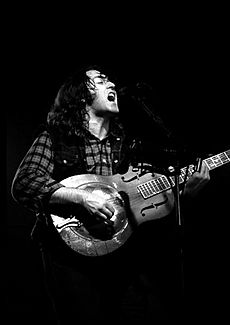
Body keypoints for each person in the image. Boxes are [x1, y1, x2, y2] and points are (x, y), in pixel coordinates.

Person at [11, 63, 210, 324]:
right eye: (102, 80)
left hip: (125, 259)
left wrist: (185, 196)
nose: (113, 84)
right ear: (81, 94)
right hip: (69, 259)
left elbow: (146, 208)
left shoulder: (130, 146)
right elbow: (25, 182)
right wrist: (80, 197)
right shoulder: (55, 138)